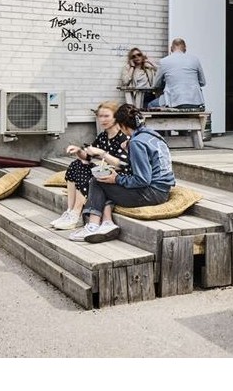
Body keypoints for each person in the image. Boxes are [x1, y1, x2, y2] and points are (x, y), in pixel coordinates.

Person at [68, 104, 175, 244]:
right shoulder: (152, 135)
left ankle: (92, 225)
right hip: (163, 190)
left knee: (97, 181)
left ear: (122, 125)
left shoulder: (137, 142)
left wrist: (117, 179)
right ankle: (107, 223)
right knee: (106, 182)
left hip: (151, 194)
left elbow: (143, 180)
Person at [51, 101, 131, 231]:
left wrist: (102, 153)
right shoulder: (103, 136)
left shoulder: (123, 137)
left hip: (119, 177)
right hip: (105, 172)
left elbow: (123, 164)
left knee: (86, 174)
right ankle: (70, 211)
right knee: (76, 164)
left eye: (106, 116)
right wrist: (78, 151)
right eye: (100, 116)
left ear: (116, 117)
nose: (103, 119)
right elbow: (87, 156)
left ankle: (76, 214)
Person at [147, 38, 206, 110]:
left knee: (151, 105)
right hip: (195, 102)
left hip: (174, 102)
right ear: (185, 49)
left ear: (171, 49)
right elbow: (203, 82)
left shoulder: (164, 61)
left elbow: (156, 85)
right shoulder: (195, 60)